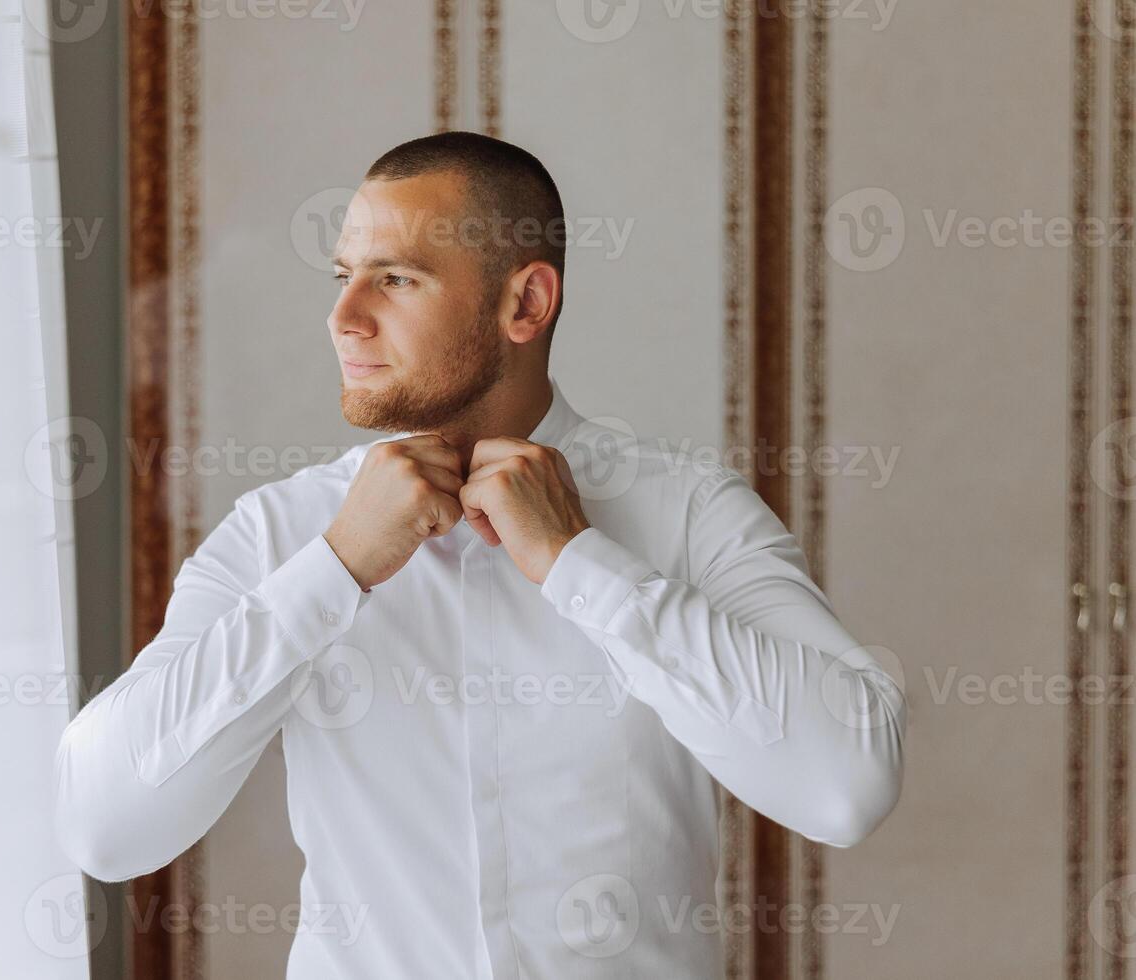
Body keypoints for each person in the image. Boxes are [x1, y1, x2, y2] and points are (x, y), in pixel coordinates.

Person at [53, 131, 905, 978]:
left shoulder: (686, 513)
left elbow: (849, 785)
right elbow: (105, 826)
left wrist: (582, 567)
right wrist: (334, 570)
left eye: (395, 278)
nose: (344, 317)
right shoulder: (283, 533)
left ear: (526, 305)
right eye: (342, 276)